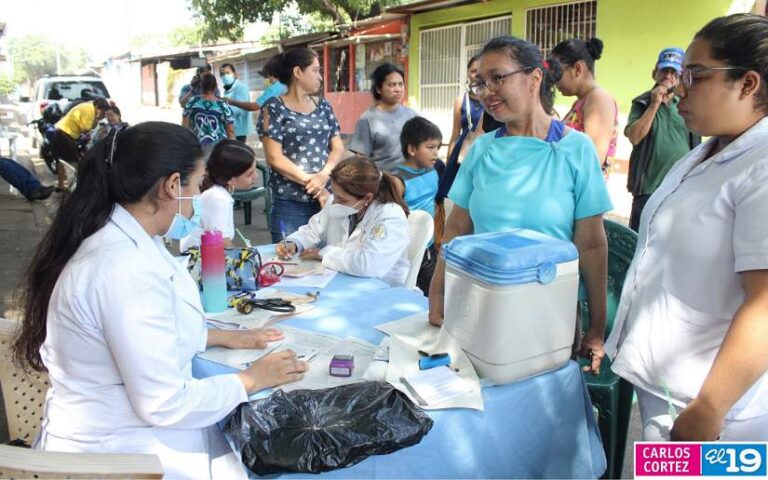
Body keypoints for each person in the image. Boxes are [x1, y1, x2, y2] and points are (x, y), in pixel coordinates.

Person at [11, 122, 308, 478]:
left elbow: (145, 332)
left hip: (126, 433)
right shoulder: (125, 269)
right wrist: (251, 379)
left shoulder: (128, 238)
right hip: (116, 457)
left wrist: (218, 336)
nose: (198, 198)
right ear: (171, 186)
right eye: (197, 185)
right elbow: (164, 403)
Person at [605, 13, 768, 441]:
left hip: (715, 406)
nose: (679, 87)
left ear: (747, 84)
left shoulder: (762, 167)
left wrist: (711, 407)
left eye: (695, 75)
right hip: (669, 386)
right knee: (661, 468)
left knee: (696, 471)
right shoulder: (705, 152)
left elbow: (765, 303)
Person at [427, 36, 613, 376]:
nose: (487, 92)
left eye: (497, 78)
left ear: (534, 78)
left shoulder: (575, 149)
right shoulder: (482, 150)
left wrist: (597, 328)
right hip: (481, 303)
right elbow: (456, 229)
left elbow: (591, 243)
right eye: (481, 83)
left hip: (549, 312)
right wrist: (437, 291)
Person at [276, 157, 410, 287]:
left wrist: (323, 254)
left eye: (342, 199)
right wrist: (294, 243)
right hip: (341, 280)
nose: (334, 202)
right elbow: (314, 229)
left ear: (367, 198)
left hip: (382, 287)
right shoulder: (339, 202)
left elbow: (369, 264)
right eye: (334, 194)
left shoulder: (389, 215)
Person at [257, 48, 344, 243]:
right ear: (297, 72)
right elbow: (274, 158)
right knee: (289, 257)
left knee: (327, 257)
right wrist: (315, 185)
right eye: (315, 70)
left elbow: (337, 147)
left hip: (327, 199)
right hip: (290, 203)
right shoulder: (273, 107)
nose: (320, 77)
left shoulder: (323, 106)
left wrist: (324, 175)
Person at [624, 48, 701, 231]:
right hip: (647, 189)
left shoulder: (688, 105)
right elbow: (635, 137)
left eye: (673, 72)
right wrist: (654, 104)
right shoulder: (642, 103)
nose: (668, 76)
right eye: (664, 71)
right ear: (655, 73)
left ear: (682, 77)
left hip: (679, 188)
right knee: (640, 238)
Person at [552, 38, 619, 177]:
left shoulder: (598, 99)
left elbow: (592, 160)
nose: (554, 80)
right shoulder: (581, 101)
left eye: (557, 73)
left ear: (577, 69)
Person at [394, 116, 444, 295]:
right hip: (406, 251)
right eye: (430, 147)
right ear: (412, 149)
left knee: (434, 294)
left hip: (429, 247)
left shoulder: (434, 170)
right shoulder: (397, 180)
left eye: (438, 147)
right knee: (406, 293)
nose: (436, 153)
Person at [180, 139, 257, 251]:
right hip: (200, 258)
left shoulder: (215, 192)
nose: (256, 176)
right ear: (230, 178)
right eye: (250, 174)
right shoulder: (218, 199)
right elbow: (223, 243)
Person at [348, 63, 417, 172]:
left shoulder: (412, 115)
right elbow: (361, 160)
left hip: (411, 178)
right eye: (392, 85)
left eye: (400, 84)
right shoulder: (367, 119)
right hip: (383, 179)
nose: (398, 89)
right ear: (378, 89)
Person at [52, 97, 109, 187]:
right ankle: (74, 186)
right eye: (103, 112)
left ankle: (61, 185)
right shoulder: (90, 111)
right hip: (65, 134)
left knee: (62, 161)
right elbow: (86, 128)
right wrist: (97, 119)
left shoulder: (87, 106)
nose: (103, 115)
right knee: (73, 161)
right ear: (98, 108)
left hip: (61, 131)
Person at [182, 73, 235, 147]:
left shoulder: (192, 101)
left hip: (197, 146)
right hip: (218, 148)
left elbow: (185, 125)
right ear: (216, 86)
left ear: (201, 86)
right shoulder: (223, 105)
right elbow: (230, 131)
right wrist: (233, 148)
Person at [224, 55, 288, 112]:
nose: (269, 81)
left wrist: (232, 102)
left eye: (268, 77)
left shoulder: (277, 87)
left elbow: (255, 106)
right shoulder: (286, 85)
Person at [220, 63, 253, 142]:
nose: (225, 76)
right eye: (222, 74)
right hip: (230, 128)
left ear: (234, 74)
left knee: (237, 149)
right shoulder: (228, 88)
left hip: (239, 130)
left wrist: (221, 110)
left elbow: (240, 109)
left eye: (227, 73)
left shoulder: (241, 87)